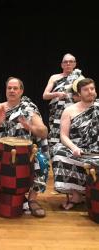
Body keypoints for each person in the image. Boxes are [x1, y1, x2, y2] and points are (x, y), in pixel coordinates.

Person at [0, 77, 49, 217]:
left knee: (41, 158)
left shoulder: (29, 108)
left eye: (15, 88)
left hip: (23, 149)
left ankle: (32, 200)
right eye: (9, 88)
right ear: (6, 90)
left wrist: (31, 127)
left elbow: (44, 132)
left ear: (21, 91)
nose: (12, 91)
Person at [52, 78, 99, 210]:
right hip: (79, 149)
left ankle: (91, 194)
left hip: (96, 150)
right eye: (86, 90)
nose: (90, 92)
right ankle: (76, 195)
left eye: (92, 89)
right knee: (58, 152)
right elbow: (63, 136)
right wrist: (74, 148)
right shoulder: (69, 110)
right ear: (79, 93)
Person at [43, 53, 84, 154]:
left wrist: (74, 97)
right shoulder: (54, 77)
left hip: (74, 113)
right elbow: (45, 95)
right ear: (62, 65)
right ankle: (54, 158)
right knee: (55, 137)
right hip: (57, 113)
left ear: (75, 64)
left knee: (71, 135)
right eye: (65, 62)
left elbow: (84, 97)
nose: (68, 64)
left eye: (71, 62)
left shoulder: (80, 78)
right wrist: (57, 94)